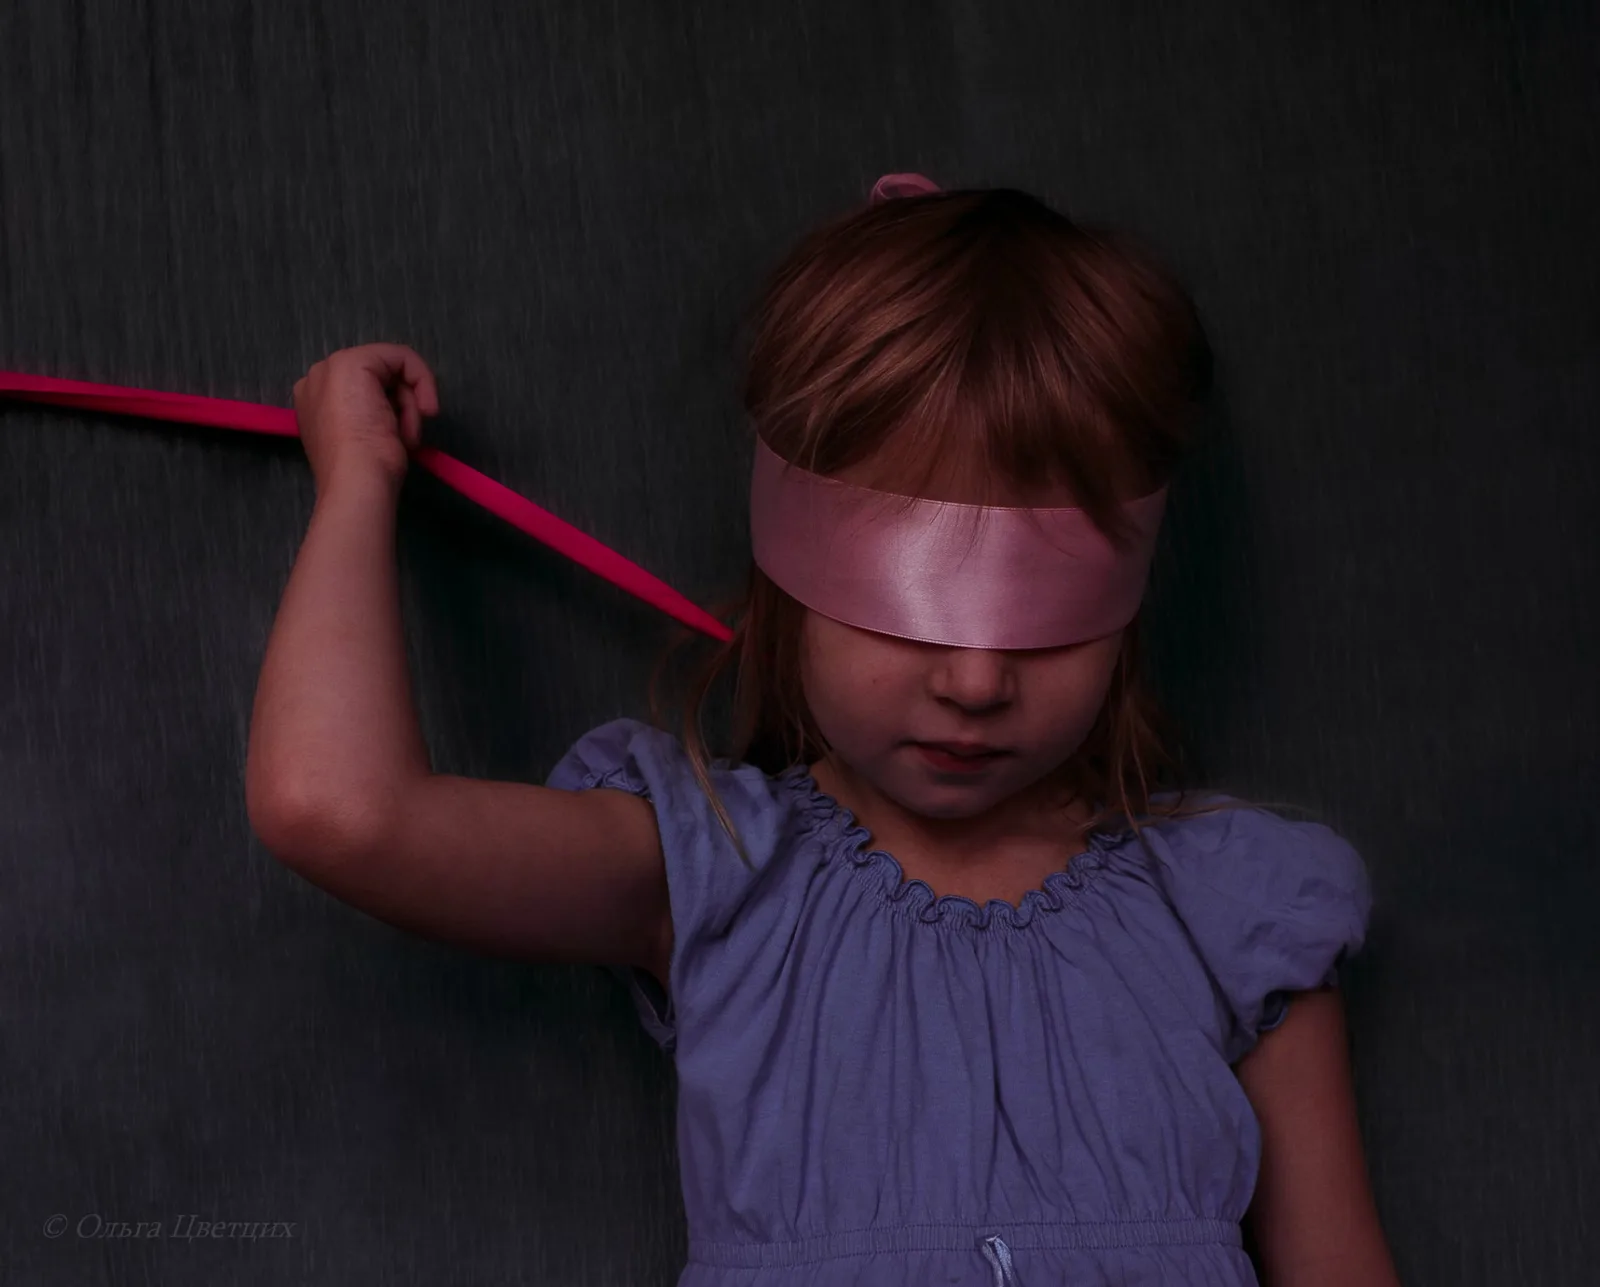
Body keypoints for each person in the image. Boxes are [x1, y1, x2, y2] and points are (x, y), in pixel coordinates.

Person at [246, 176, 1401, 1286]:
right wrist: (357, 484)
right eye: (912, 601)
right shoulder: (713, 871)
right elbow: (333, 810)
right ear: (792, 580)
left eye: (1044, 615)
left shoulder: (1235, 910)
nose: (976, 677)